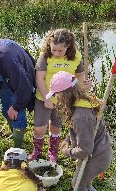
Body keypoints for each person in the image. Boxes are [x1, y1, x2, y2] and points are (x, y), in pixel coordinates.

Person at [46, 71, 112, 191]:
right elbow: (79, 132)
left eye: (56, 95)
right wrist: (69, 139)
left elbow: (85, 149)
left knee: (79, 183)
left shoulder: (81, 116)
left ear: (64, 95)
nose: (56, 99)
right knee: (80, 181)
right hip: (98, 151)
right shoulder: (80, 102)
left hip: (95, 156)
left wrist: (66, 151)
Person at [27, 29, 86, 163]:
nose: (56, 53)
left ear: (68, 46)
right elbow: (39, 78)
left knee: (56, 126)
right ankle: (37, 151)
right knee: (39, 128)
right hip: (44, 97)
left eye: (60, 50)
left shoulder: (76, 56)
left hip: (64, 99)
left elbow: (80, 76)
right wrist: (47, 98)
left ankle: (52, 152)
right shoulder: (45, 56)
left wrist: (84, 84)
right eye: (54, 50)